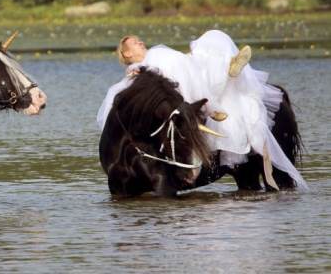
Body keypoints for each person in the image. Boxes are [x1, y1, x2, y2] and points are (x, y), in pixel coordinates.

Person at [97, 30, 308, 190]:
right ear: (126, 54)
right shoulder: (136, 70)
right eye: (133, 43)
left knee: (211, 37)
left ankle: (226, 69)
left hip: (184, 78)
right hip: (170, 94)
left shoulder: (160, 53)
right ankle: (211, 98)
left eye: (139, 39)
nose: (139, 41)